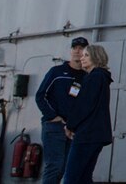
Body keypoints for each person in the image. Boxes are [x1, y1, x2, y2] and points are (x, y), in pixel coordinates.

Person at [34, 36, 89, 184]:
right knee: (54, 166)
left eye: (82, 48)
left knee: (65, 168)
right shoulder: (57, 72)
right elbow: (40, 95)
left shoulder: (86, 77)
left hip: (72, 129)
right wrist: (53, 116)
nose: (78, 51)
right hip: (54, 126)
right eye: (75, 48)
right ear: (71, 51)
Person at [61, 44, 113, 184]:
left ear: (96, 57)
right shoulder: (102, 77)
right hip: (97, 134)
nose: (81, 58)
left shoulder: (94, 78)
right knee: (84, 177)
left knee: (71, 177)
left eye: (86, 55)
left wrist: (70, 125)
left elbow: (84, 105)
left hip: (87, 134)